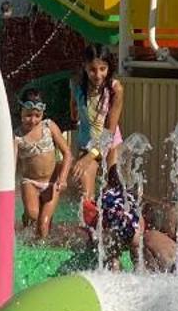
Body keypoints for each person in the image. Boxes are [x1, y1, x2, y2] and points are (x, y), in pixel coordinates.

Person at [69, 45, 124, 204]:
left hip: (110, 144)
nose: (98, 75)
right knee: (85, 198)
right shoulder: (76, 85)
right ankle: (89, 226)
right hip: (87, 143)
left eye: (103, 69)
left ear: (109, 67)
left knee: (115, 190)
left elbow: (109, 132)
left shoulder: (115, 89)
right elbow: (73, 110)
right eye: (93, 69)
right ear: (84, 66)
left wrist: (88, 158)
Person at [14, 89, 72, 240]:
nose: (33, 120)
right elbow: (12, 163)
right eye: (28, 115)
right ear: (20, 111)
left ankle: (41, 249)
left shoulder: (49, 126)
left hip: (52, 183)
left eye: (37, 116)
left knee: (43, 224)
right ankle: (27, 216)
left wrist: (63, 178)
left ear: (43, 114)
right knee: (33, 214)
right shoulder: (17, 136)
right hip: (30, 182)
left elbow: (67, 153)